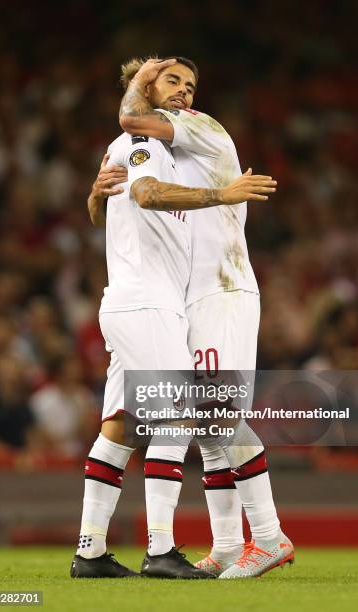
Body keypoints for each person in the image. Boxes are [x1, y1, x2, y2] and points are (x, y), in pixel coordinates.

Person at [72, 57, 275, 579]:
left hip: (154, 299)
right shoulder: (146, 147)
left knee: (123, 425)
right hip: (150, 301)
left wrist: (95, 196)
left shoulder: (188, 141)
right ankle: (162, 547)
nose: (185, 91)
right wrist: (222, 195)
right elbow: (142, 193)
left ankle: (90, 553)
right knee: (186, 411)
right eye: (172, 81)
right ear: (143, 88)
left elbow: (108, 207)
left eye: (190, 84)